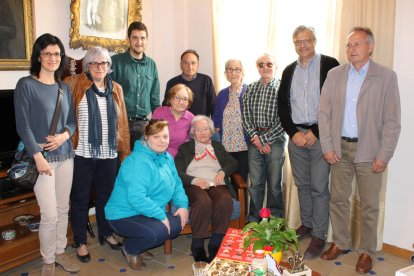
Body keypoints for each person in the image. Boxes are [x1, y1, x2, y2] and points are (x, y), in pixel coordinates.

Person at [318, 27, 401, 274]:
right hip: (339, 148)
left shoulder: (386, 76)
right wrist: (327, 146)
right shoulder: (335, 74)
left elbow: (392, 120)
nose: (351, 50)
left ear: (370, 47)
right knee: (338, 199)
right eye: (348, 45)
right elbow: (324, 113)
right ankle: (341, 243)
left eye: (356, 44)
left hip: (370, 150)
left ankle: (366, 251)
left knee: (369, 204)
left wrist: (384, 155)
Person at [14, 33, 79, 276]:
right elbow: (23, 126)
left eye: (57, 53)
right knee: (49, 214)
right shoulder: (26, 85)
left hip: (66, 156)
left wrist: (64, 135)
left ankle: (60, 252)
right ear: (38, 56)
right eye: (47, 53)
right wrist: (38, 157)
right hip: (42, 160)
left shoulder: (64, 87)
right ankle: (48, 260)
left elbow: (72, 122)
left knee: (63, 209)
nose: (53, 58)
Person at [277, 25, 340, 259]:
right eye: (298, 42)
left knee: (319, 188)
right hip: (296, 138)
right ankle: (308, 224)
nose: (302, 45)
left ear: (314, 41)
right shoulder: (288, 70)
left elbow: (335, 102)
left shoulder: (331, 65)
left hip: (320, 136)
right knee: (302, 185)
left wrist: (315, 131)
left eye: (306, 40)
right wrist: (293, 133)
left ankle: (320, 235)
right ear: (294, 44)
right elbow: (282, 105)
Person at [64, 46, 130, 263]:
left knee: (106, 197)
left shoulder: (116, 89)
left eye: (103, 63)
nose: (99, 67)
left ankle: (105, 233)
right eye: (94, 63)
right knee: (81, 199)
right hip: (82, 153)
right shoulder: (74, 84)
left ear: (108, 66)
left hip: (108, 154)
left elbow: (122, 124)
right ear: (87, 66)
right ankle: (80, 241)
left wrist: (124, 153)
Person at [105, 120, 189, 270]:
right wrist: (161, 216)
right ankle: (130, 248)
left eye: (165, 136)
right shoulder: (137, 161)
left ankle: (140, 243)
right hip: (123, 214)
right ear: (146, 137)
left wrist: (182, 205)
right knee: (160, 231)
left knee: (178, 222)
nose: (162, 141)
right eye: (156, 137)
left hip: (147, 211)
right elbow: (137, 198)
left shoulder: (167, 157)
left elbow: (176, 183)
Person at [175, 115, 238, 262]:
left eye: (205, 129)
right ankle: (197, 245)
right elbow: (177, 171)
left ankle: (215, 243)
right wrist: (195, 180)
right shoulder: (185, 148)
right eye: (198, 130)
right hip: (194, 184)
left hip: (215, 183)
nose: (202, 132)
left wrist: (222, 172)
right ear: (193, 133)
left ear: (211, 132)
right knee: (203, 201)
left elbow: (233, 163)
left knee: (224, 200)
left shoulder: (218, 146)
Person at [242, 53, 286, 222]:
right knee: (256, 184)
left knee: (274, 186)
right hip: (255, 141)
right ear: (257, 67)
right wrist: (256, 138)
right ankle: (253, 220)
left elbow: (285, 119)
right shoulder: (251, 88)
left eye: (269, 64)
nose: (265, 68)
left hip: (275, 141)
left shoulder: (283, 89)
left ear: (275, 67)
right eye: (261, 65)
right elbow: (245, 116)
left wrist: (265, 139)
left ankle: (275, 222)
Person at [110, 21, 160, 149]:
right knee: (121, 163)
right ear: (128, 39)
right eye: (135, 38)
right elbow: (108, 94)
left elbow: (154, 98)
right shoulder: (116, 62)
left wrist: (157, 124)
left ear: (147, 40)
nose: (139, 42)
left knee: (141, 163)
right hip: (120, 123)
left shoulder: (151, 65)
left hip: (144, 125)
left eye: (142, 38)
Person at [213, 59, 249, 187]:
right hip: (226, 145)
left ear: (242, 72)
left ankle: (242, 207)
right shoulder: (222, 94)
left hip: (244, 145)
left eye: (237, 69)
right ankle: (231, 207)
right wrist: (215, 127)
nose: (233, 72)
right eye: (230, 69)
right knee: (226, 182)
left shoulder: (249, 91)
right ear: (225, 73)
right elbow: (216, 116)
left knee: (241, 182)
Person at [162, 49, 216, 117]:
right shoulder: (172, 83)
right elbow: (166, 106)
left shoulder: (206, 80)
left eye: (193, 63)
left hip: (200, 125)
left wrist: (215, 125)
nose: (190, 66)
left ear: (198, 64)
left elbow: (213, 105)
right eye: (186, 63)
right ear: (181, 64)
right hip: (179, 125)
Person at [152, 84, 195, 157]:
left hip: (179, 157)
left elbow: (192, 142)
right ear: (170, 99)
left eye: (185, 99)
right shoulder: (159, 112)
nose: (180, 102)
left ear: (188, 103)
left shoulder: (192, 119)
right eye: (177, 97)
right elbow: (151, 136)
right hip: (156, 153)